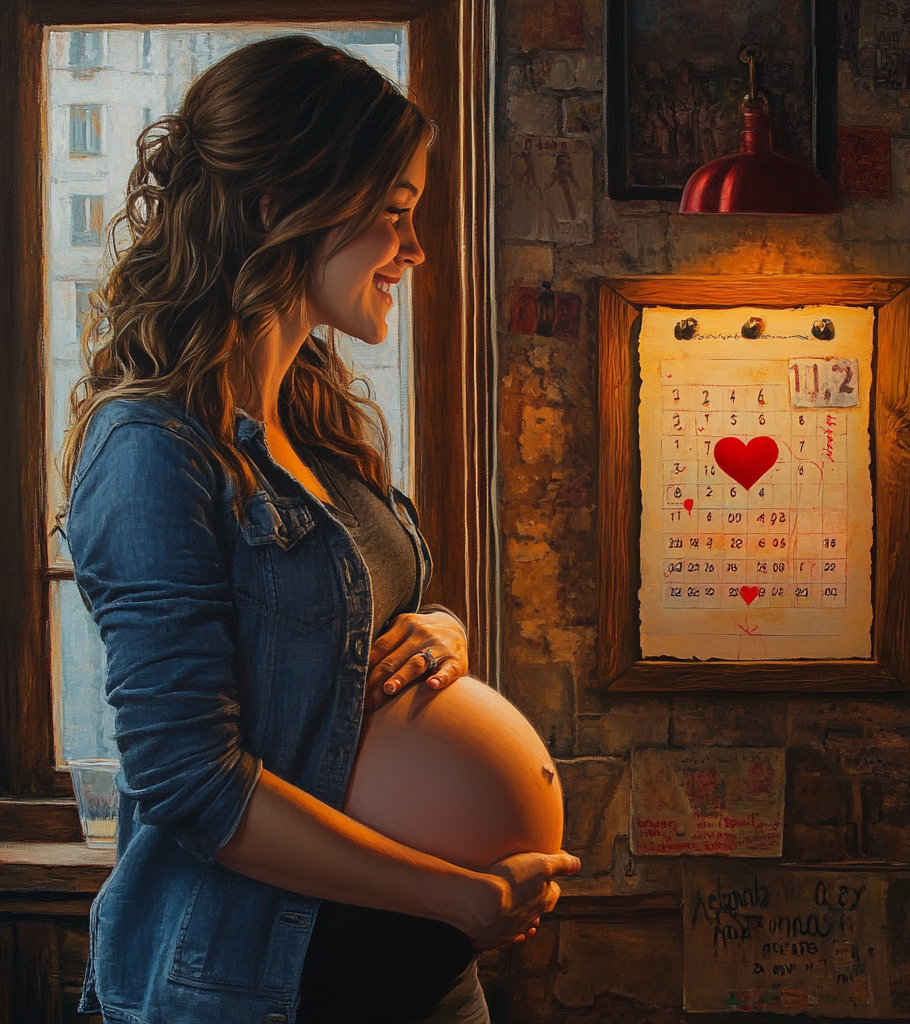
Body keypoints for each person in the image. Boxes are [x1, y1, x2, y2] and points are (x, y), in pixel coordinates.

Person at [61, 36, 579, 1024]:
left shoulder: (314, 425)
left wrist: (445, 637)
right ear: (277, 208)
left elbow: (345, 642)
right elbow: (189, 780)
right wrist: (454, 892)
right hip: (267, 986)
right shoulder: (151, 448)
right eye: (393, 214)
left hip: (417, 976)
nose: (415, 248)